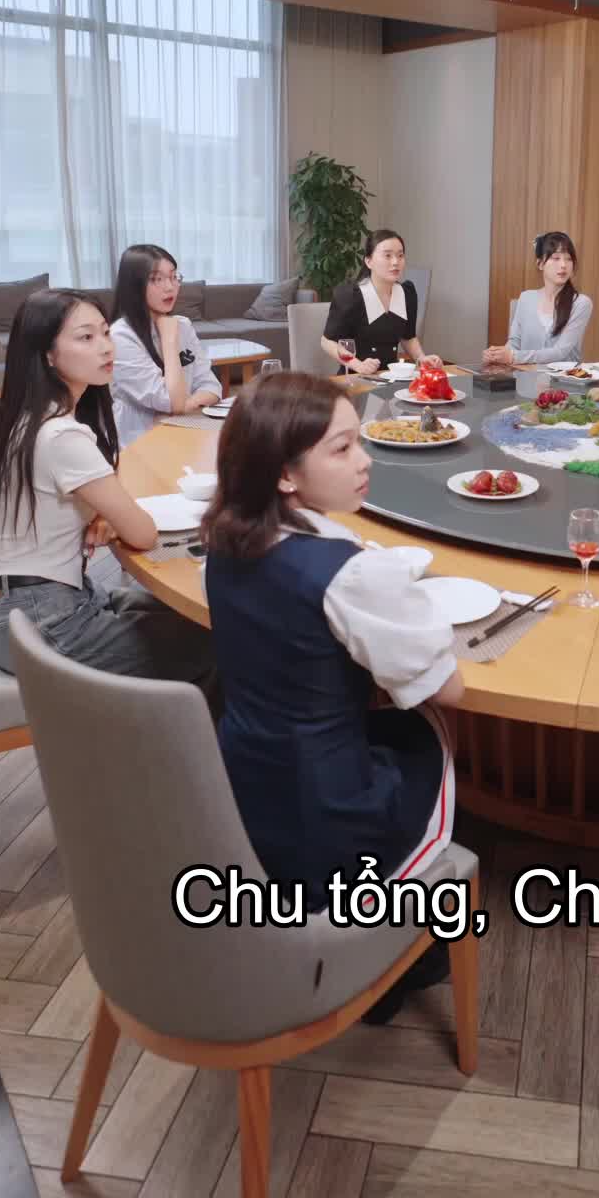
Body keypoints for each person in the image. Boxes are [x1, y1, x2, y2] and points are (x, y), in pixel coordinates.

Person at [202, 371, 462, 1022]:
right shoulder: (350, 572)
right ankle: (391, 944)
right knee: (431, 727)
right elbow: (449, 687)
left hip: (243, 785)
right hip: (330, 809)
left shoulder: (224, 537)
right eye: (342, 449)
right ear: (285, 475)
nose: (364, 460)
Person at [0, 289, 216, 690]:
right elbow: (143, 533)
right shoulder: (61, 435)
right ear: (47, 355)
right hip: (45, 621)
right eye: (86, 337)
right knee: (221, 640)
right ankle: (186, 730)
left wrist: (103, 514)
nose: (105, 347)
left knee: (189, 616)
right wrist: (114, 517)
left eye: (105, 332)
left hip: (25, 606)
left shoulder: (28, 418)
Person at [110, 244, 221, 446]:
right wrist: (169, 340)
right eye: (156, 279)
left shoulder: (183, 325)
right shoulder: (121, 336)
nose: (170, 287)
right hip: (140, 443)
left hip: (184, 431)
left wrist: (185, 406)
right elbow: (170, 401)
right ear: (133, 285)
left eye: (173, 276)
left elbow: (212, 386)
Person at [322, 230, 429, 376]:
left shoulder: (407, 293)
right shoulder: (350, 296)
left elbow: (408, 337)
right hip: (356, 378)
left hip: (391, 376)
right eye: (387, 255)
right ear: (369, 261)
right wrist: (358, 365)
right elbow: (327, 342)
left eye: (400, 255)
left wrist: (422, 359)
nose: (395, 262)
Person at [483, 231, 593, 368]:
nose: (563, 265)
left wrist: (513, 356)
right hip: (526, 378)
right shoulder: (526, 298)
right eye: (556, 258)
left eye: (569, 259)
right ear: (540, 264)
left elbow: (560, 352)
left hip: (563, 379)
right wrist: (497, 355)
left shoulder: (581, 303)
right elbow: (514, 342)